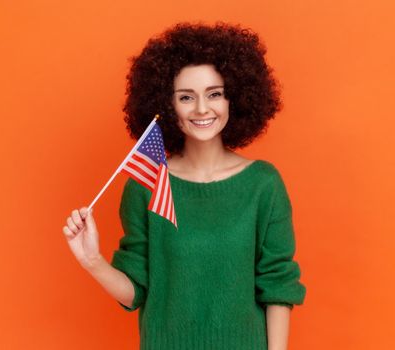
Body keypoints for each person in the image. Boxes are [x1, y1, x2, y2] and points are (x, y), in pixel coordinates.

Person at [62, 21, 306, 350]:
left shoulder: (264, 184)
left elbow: (277, 286)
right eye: (186, 97)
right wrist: (92, 260)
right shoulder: (145, 187)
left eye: (215, 94)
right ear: (167, 104)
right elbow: (136, 291)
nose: (202, 109)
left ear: (235, 98)